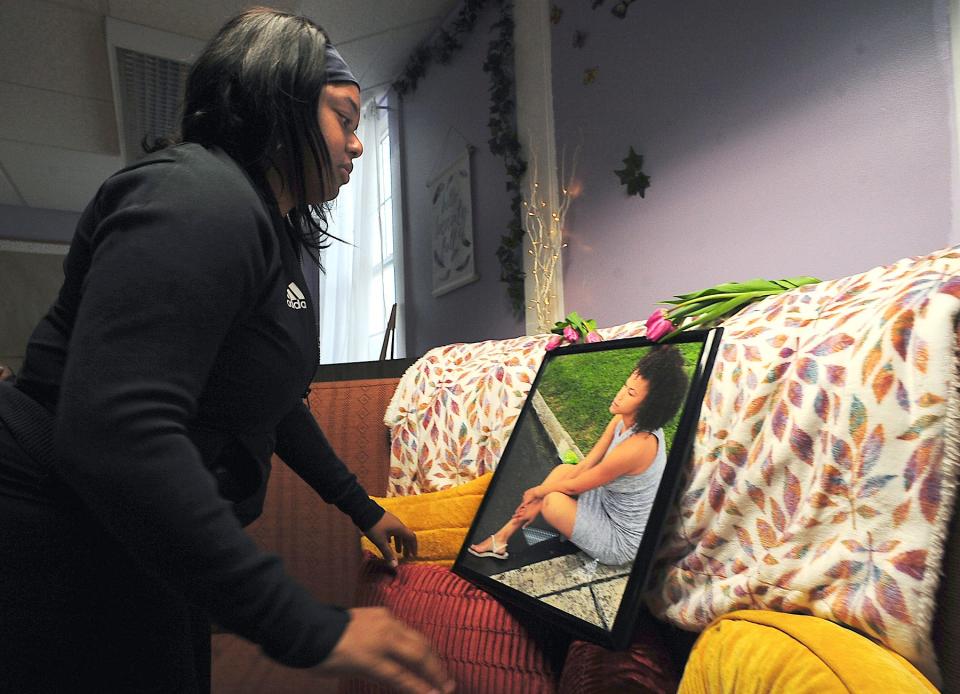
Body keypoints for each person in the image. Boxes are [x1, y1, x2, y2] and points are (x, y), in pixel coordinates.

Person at [0, 8, 453, 694]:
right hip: (60, 526)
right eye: (345, 118)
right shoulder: (198, 196)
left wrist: (362, 506)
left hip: (138, 535)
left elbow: (270, 406)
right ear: (283, 102)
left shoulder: (275, 235)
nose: (357, 145)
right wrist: (309, 626)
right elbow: (116, 434)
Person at [469, 346, 689, 566]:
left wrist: (535, 492)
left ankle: (523, 533)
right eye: (625, 386)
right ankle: (502, 538)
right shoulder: (622, 420)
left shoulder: (638, 447)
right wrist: (538, 497)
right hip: (606, 502)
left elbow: (574, 488)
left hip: (621, 539)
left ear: (649, 406)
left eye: (631, 394)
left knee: (552, 501)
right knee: (563, 472)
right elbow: (588, 463)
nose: (619, 395)